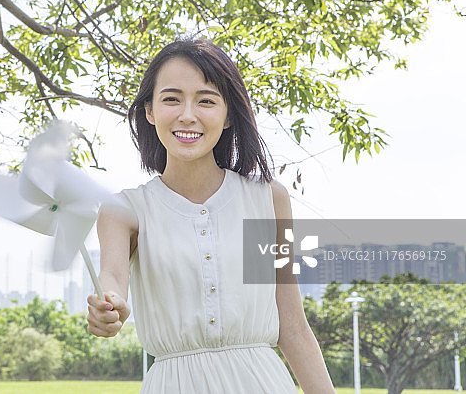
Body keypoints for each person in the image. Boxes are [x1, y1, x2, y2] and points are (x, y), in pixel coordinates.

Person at [86, 39, 335, 393]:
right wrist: (109, 307)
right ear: (150, 111)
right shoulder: (124, 209)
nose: (188, 114)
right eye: (171, 98)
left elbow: (292, 326)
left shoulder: (268, 199)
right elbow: (111, 278)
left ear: (229, 113)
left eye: (205, 100)